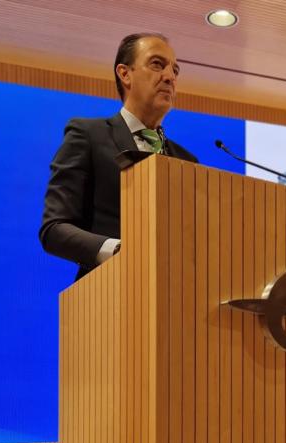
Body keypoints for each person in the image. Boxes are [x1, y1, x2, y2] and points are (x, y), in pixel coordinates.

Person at [40, 33, 198, 282]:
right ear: (125, 74)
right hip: (108, 296)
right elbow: (54, 230)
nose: (169, 77)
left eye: (175, 70)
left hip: (176, 298)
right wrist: (120, 252)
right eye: (157, 64)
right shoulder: (88, 136)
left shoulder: (187, 161)